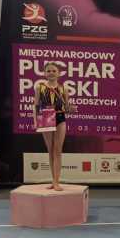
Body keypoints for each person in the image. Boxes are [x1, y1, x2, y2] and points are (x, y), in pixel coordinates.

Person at [33, 62, 73, 191]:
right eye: (48, 71)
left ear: (59, 73)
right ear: (44, 73)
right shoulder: (39, 87)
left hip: (60, 117)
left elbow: (67, 108)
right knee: (50, 150)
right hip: (46, 116)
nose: (51, 73)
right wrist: (35, 120)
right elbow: (36, 105)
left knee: (58, 150)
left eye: (54, 71)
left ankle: (56, 182)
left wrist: (71, 109)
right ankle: (53, 180)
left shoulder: (64, 89)